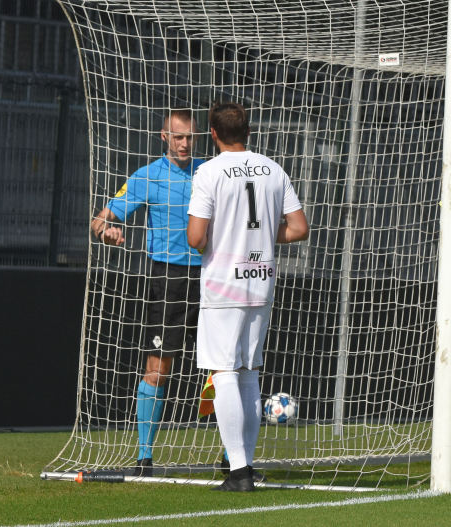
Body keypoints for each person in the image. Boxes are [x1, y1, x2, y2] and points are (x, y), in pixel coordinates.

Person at [187, 102, 309, 491]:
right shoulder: (273, 168)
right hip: (260, 281)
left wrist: (221, 238)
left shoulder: (208, 171)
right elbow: (299, 228)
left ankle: (238, 472)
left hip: (223, 285)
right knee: (249, 374)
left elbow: (195, 238)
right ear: (249, 131)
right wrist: (257, 237)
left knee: (222, 371)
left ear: (213, 133)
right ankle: (247, 466)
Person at [91, 109, 203, 477]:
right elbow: (100, 220)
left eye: (190, 137)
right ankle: (145, 457)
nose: (185, 143)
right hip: (167, 279)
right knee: (158, 367)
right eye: (178, 137)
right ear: (164, 137)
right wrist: (108, 230)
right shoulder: (147, 176)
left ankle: (232, 459)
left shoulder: (211, 172)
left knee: (225, 369)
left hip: (213, 276)